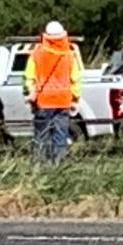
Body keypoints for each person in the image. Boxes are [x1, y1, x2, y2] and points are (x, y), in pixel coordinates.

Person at [24, 21, 82, 164]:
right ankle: (59, 166)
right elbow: (76, 78)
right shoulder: (69, 55)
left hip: (43, 101)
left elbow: (28, 77)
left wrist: (30, 93)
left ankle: (40, 165)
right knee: (61, 135)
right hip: (63, 101)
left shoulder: (37, 54)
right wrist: (75, 98)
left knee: (41, 135)